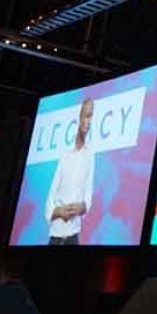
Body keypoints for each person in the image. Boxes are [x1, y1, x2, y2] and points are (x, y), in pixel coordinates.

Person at [44, 97, 95, 245]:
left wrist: (83, 207)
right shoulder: (64, 153)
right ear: (79, 118)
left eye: (91, 116)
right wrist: (58, 211)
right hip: (56, 235)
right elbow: (51, 194)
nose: (89, 121)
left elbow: (89, 190)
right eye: (87, 115)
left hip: (73, 236)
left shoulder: (90, 154)